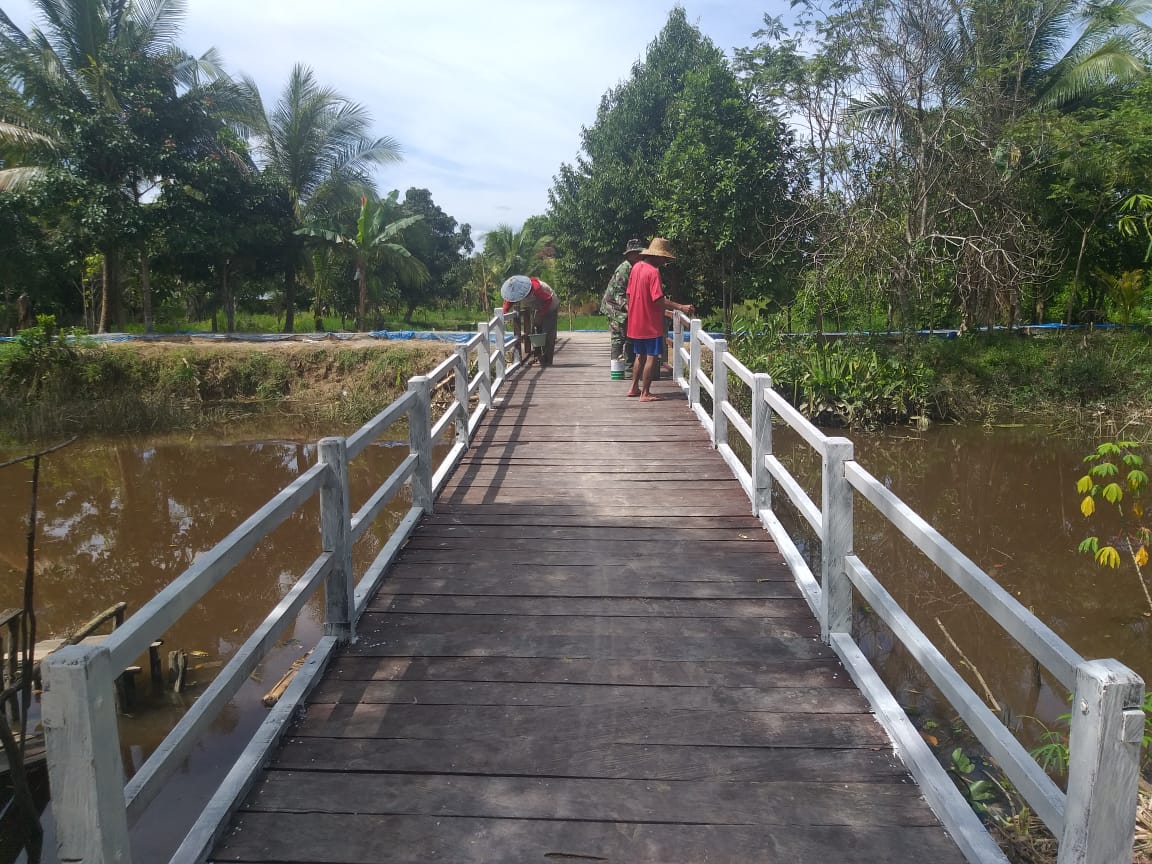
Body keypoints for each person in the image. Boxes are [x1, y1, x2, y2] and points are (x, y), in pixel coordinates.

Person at [625, 238, 693, 402]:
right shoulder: (653, 272)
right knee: (652, 357)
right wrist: (680, 307)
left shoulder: (636, 267)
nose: (664, 262)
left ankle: (634, 387)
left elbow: (628, 294)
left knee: (639, 355)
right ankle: (645, 393)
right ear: (657, 256)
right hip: (650, 323)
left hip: (636, 322)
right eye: (663, 258)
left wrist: (633, 312)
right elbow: (658, 299)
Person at [600, 238, 644, 366]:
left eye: (639, 253)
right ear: (629, 255)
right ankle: (617, 367)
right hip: (614, 306)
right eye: (635, 253)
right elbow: (618, 294)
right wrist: (630, 308)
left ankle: (628, 367)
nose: (638, 256)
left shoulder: (636, 267)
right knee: (618, 336)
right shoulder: (624, 269)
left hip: (625, 305)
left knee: (630, 335)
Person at [501, 275, 560, 366]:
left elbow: (548, 299)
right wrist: (503, 313)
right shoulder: (517, 292)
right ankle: (538, 356)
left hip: (550, 305)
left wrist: (540, 315)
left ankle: (547, 361)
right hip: (539, 307)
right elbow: (508, 303)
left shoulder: (535, 288)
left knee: (547, 332)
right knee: (535, 332)